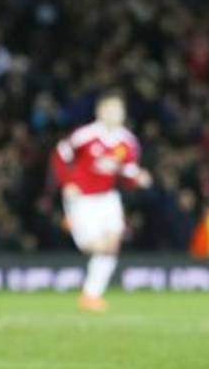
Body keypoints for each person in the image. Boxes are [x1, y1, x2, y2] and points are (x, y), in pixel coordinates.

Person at [48, 90, 151, 312]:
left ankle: (91, 295)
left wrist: (138, 178)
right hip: (82, 198)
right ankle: (69, 223)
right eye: (111, 109)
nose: (115, 114)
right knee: (93, 247)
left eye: (119, 110)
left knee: (112, 245)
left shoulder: (128, 142)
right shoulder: (85, 135)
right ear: (100, 112)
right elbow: (60, 155)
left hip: (107, 197)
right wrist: (67, 182)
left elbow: (127, 173)